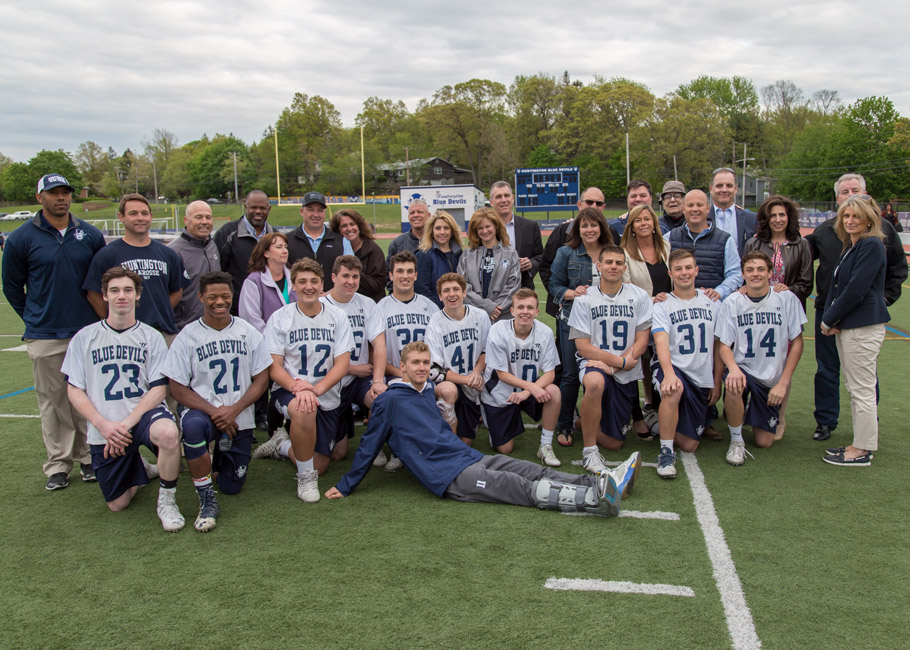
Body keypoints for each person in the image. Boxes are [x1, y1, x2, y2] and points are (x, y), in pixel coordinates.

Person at [325, 341, 642, 518]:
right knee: (517, 487)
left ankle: (604, 481)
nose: (421, 367)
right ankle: (595, 500)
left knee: (528, 469)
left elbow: (439, 432)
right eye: (415, 363)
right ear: (404, 366)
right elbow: (369, 445)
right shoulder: (389, 400)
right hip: (449, 477)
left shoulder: (424, 392)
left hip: (466, 457)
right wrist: (347, 484)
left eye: (426, 362)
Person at [2, 173, 105, 490]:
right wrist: (34, 316)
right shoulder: (21, 238)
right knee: (52, 400)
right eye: (53, 193)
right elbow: (11, 286)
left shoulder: (88, 234)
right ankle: (58, 464)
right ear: (40, 198)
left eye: (65, 192)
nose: (61, 197)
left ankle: (89, 458)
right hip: (45, 333)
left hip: (86, 331)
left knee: (88, 398)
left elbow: (100, 281)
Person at [61, 267, 184, 531]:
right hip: (105, 423)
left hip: (141, 416)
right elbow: (74, 389)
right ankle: (141, 470)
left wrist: (126, 424)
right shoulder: (85, 337)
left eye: (128, 290)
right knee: (118, 503)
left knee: (168, 432)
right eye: (114, 290)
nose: (121, 296)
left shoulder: (151, 336)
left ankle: (167, 501)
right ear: (104, 295)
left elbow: (159, 389)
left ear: (138, 294)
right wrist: (103, 425)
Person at [162, 272, 271, 531]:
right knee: (193, 428)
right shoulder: (188, 335)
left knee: (233, 486)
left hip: (238, 414)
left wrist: (233, 410)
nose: (219, 302)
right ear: (201, 297)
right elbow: (176, 386)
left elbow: (261, 380)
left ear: (232, 297)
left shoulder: (248, 332)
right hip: (203, 410)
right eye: (212, 297)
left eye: (225, 296)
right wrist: (215, 411)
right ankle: (206, 496)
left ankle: (215, 463)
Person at [805, 173, 907, 441]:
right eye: (844, 192)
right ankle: (826, 421)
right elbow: (803, 261)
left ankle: (866, 427)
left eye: (855, 190)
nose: (850, 196)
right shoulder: (825, 231)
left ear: (866, 196)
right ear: (836, 198)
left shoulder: (880, 234)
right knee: (827, 369)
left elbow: (896, 269)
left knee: (862, 375)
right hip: (828, 310)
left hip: (858, 317)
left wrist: (882, 299)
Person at [264, 258, 354, 502]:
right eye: (302, 281)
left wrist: (316, 389)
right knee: (304, 410)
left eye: (314, 281)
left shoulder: (337, 316)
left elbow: (342, 364)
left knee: (330, 459)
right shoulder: (280, 317)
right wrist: (297, 388)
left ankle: (281, 443)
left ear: (322, 284)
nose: (308, 287)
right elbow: (274, 366)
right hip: (290, 391)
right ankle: (306, 479)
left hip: (325, 392)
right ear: (293, 286)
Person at [716, 251, 806, 466]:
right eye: (750, 270)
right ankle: (737, 440)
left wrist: (783, 383)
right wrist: (733, 369)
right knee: (734, 383)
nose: (755, 274)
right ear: (743, 274)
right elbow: (724, 346)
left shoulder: (786, 298)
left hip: (770, 375)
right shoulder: (734, 301)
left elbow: (798, 343)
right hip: (744, 368)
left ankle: (749, 410)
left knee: (764, 441)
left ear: (770, 272)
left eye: (760, 269)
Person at [820, 196, 890, 466]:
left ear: (869, 219)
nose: (849, 221)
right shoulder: (855, 245)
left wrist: (829, 319)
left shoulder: (871, 245)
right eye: (846, 216)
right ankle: (859, 444)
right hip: (851, 325)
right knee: (856, 387)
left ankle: (861, 449)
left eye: (855, 217)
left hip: (863, 327)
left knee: (861, 389)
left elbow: (856, 290)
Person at [569, 246, 653, 473]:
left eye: (618, 263)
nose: (613, 267)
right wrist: (617, 362)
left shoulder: (639, 296)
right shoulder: (585, 298)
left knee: (614, 444)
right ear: (599, 266)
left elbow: (642, 340)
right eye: (608, 262)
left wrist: (619, 365)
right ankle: (589, 452)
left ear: (625, 268)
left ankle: (577, 422)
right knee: (595, 383)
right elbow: (583, 347)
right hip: (594, 363)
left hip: (625, 368)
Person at [651, 250, 722, 479]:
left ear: (696, 270)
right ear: (670, 273)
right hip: (673, 366)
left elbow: (720, 344)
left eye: (688, 268)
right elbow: (661, 341)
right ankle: (665, 452)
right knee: (674, 389)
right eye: (679, 269)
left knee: (689, 444)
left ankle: (660, 423)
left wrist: (716, 380)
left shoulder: (711, 302)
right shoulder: (662, 304)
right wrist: (669, 374)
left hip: (700, 373)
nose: (684, 273)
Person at [548, 207, 614, 448]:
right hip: (571, 321)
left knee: (603, 371)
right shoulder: (567, 253)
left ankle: (601, 421)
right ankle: (564, 424)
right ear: (578, 229)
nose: (589, 230)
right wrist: (570, 293)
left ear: (601, 228)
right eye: (584, 225)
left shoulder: (611, 253)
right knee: (570, 375)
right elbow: (553, 285)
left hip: (603, 323)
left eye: (593, 225)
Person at [84, 193, 189, 342]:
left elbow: (177, 291)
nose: (140, 218)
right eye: (133, 213)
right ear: (121, 217)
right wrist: (115, 319)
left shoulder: (168, 254)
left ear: (151, 216)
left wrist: (158, 311)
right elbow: (93, 294)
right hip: (123, 335)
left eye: (144, 213)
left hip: (163, 333)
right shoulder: (107, 255)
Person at [480, 289, 562, 465]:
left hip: (525, 391)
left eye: (530, 307)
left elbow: (550, 373)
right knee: (505, 449)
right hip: (500, 393)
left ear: (537, 311)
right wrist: (532, 388)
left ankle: (546, 446)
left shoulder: (545, 332)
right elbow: (501, 374)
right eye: (521, 307)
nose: (525, 311)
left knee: (554, 391)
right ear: (512, 310)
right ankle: (488, 415)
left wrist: (527, 392)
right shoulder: (499, 330)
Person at [376, 250, 439, 471]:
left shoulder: (429, 306)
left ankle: (432, 447)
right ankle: (396, 448)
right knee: (395, 397)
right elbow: (377, 350)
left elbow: (436, 347)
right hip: (394, 372)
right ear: (391, 275)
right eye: (399, 271)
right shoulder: (381, 307)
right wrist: (400, 373)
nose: (405, 275)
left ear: (416, 275)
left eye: (409, 271)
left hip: (424, 373)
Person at [620, 204, 672, 439]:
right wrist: (651, 299)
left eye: (647, 219)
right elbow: (627, 288)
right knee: (643, 359)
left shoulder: (666, 246)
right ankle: (649, 404)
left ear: (654, 223)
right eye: (638, 220)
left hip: (666, 314)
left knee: (663, 358)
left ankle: (662, 405)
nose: (643, 223)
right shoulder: (625, 252)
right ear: (631, 226)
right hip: (641, 314)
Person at [425, 273, 489, 445]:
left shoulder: (480, 316)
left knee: (466, 442)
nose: (451, 294)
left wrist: (476, 371)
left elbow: (486, 350)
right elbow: (434, 370)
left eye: (456, 289)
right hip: (452, 382)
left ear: (464, 293)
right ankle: (449, 427)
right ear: (440, 296)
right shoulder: (435, 322)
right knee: (448, 391)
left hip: (474, 383)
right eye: (446, 291)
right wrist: (467, 379)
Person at [540, 187, 606, 320]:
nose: (594, 206)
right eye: (589, 202)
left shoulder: (611, 238)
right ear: (579, 204)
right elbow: (547, 269)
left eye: (598, 203)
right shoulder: (561, 233)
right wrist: (563, 295)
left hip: (604, 314)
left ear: (603, 207)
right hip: (569, 312)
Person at [667, 190, 743, 302]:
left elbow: (735, 274)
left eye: (700, 205)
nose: (695, 209)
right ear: (683, 209)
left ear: (708, 209)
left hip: (712, 306)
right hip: (678, 306)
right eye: (690, 205)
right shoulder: (670, 237)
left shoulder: (725, 240)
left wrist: (719, 291)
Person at [744, 195, 813, 309]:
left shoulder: (801, 245)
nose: (778, 219)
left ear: (789, 217)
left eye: (782, 215)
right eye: (773, 216)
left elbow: (806, 284)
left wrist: (788, 290)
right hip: (758, 308)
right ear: (766, 219)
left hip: (789, 308)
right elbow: (745, 277)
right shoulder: (753, 244)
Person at [214, 189, 274, 314]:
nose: (258, 211)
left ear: (269, 209)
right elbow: (218, 270)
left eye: (262, 208)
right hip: (235, 308)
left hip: (266, 308)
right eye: (253, 207)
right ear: (245, 207)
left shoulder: (274, 236)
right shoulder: (227, 233)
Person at [457, 208, 521, 323]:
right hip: (474, 317)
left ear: (496, 227)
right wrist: (486, 307)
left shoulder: (510, 253)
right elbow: (462, 285)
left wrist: (496, 309)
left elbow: (514, 285)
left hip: (502, 318)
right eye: (480, 228)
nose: (484, 231)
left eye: (488, 226)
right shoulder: (467, 254)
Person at [286, 191, 353, 291]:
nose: (316, 214)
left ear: (325, 213)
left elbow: (350, 274)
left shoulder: (341, 240)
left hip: (333, 303)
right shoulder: (287, 240)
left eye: (320, 210)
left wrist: (330, 294)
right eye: (310, 210)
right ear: (301, 212)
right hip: (298, 303)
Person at [169, 200, 219, 330]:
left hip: (213, 325)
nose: (204, 221)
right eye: (198, 217)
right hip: (184, 328)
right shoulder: (173, 252)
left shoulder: (212, 246)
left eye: (208, 217)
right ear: (186, 220)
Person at [489, 181, 543, 289]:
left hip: (523, 290)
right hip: (492, 292)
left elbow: (541, 257)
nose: (504, 200)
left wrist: (531, 263)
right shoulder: (483, 229)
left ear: (512, 199)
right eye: (498, 197)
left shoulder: (530, 227)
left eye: (507, 195)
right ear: (491, 202)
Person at [239, 232, 295, 333]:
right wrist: (273, 339)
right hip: (267, 342)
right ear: (266, 253)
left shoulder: (295, 277)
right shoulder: (253, 281)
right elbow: (251, 320)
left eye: (285, 247)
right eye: (279, 247)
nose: (285, 251)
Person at [329, 208, 386, 302]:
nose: (349, 229)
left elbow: (379, 284)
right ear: (338, 230)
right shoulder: (334, 249)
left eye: (352, 224)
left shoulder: (373, 250)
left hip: (369, 304)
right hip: (342, 304)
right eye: (344, 226)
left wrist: (353, 276)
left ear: (359, 226)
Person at [415, 210, 463, 308]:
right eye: (438, 228)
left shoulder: (460, 254)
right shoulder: (424, 255)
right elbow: (422, 289)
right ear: (432, 231)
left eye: (446, 228)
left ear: (452, 231)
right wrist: (439, 310)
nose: (442, 232)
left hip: (458, 310)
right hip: (436, 312)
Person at [709, 167, 757, 255]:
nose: (724, 190)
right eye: (719, 186)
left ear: (735, 189)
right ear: (711, 189)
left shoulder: (752, 220)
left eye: (729, 186)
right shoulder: (702, 218)